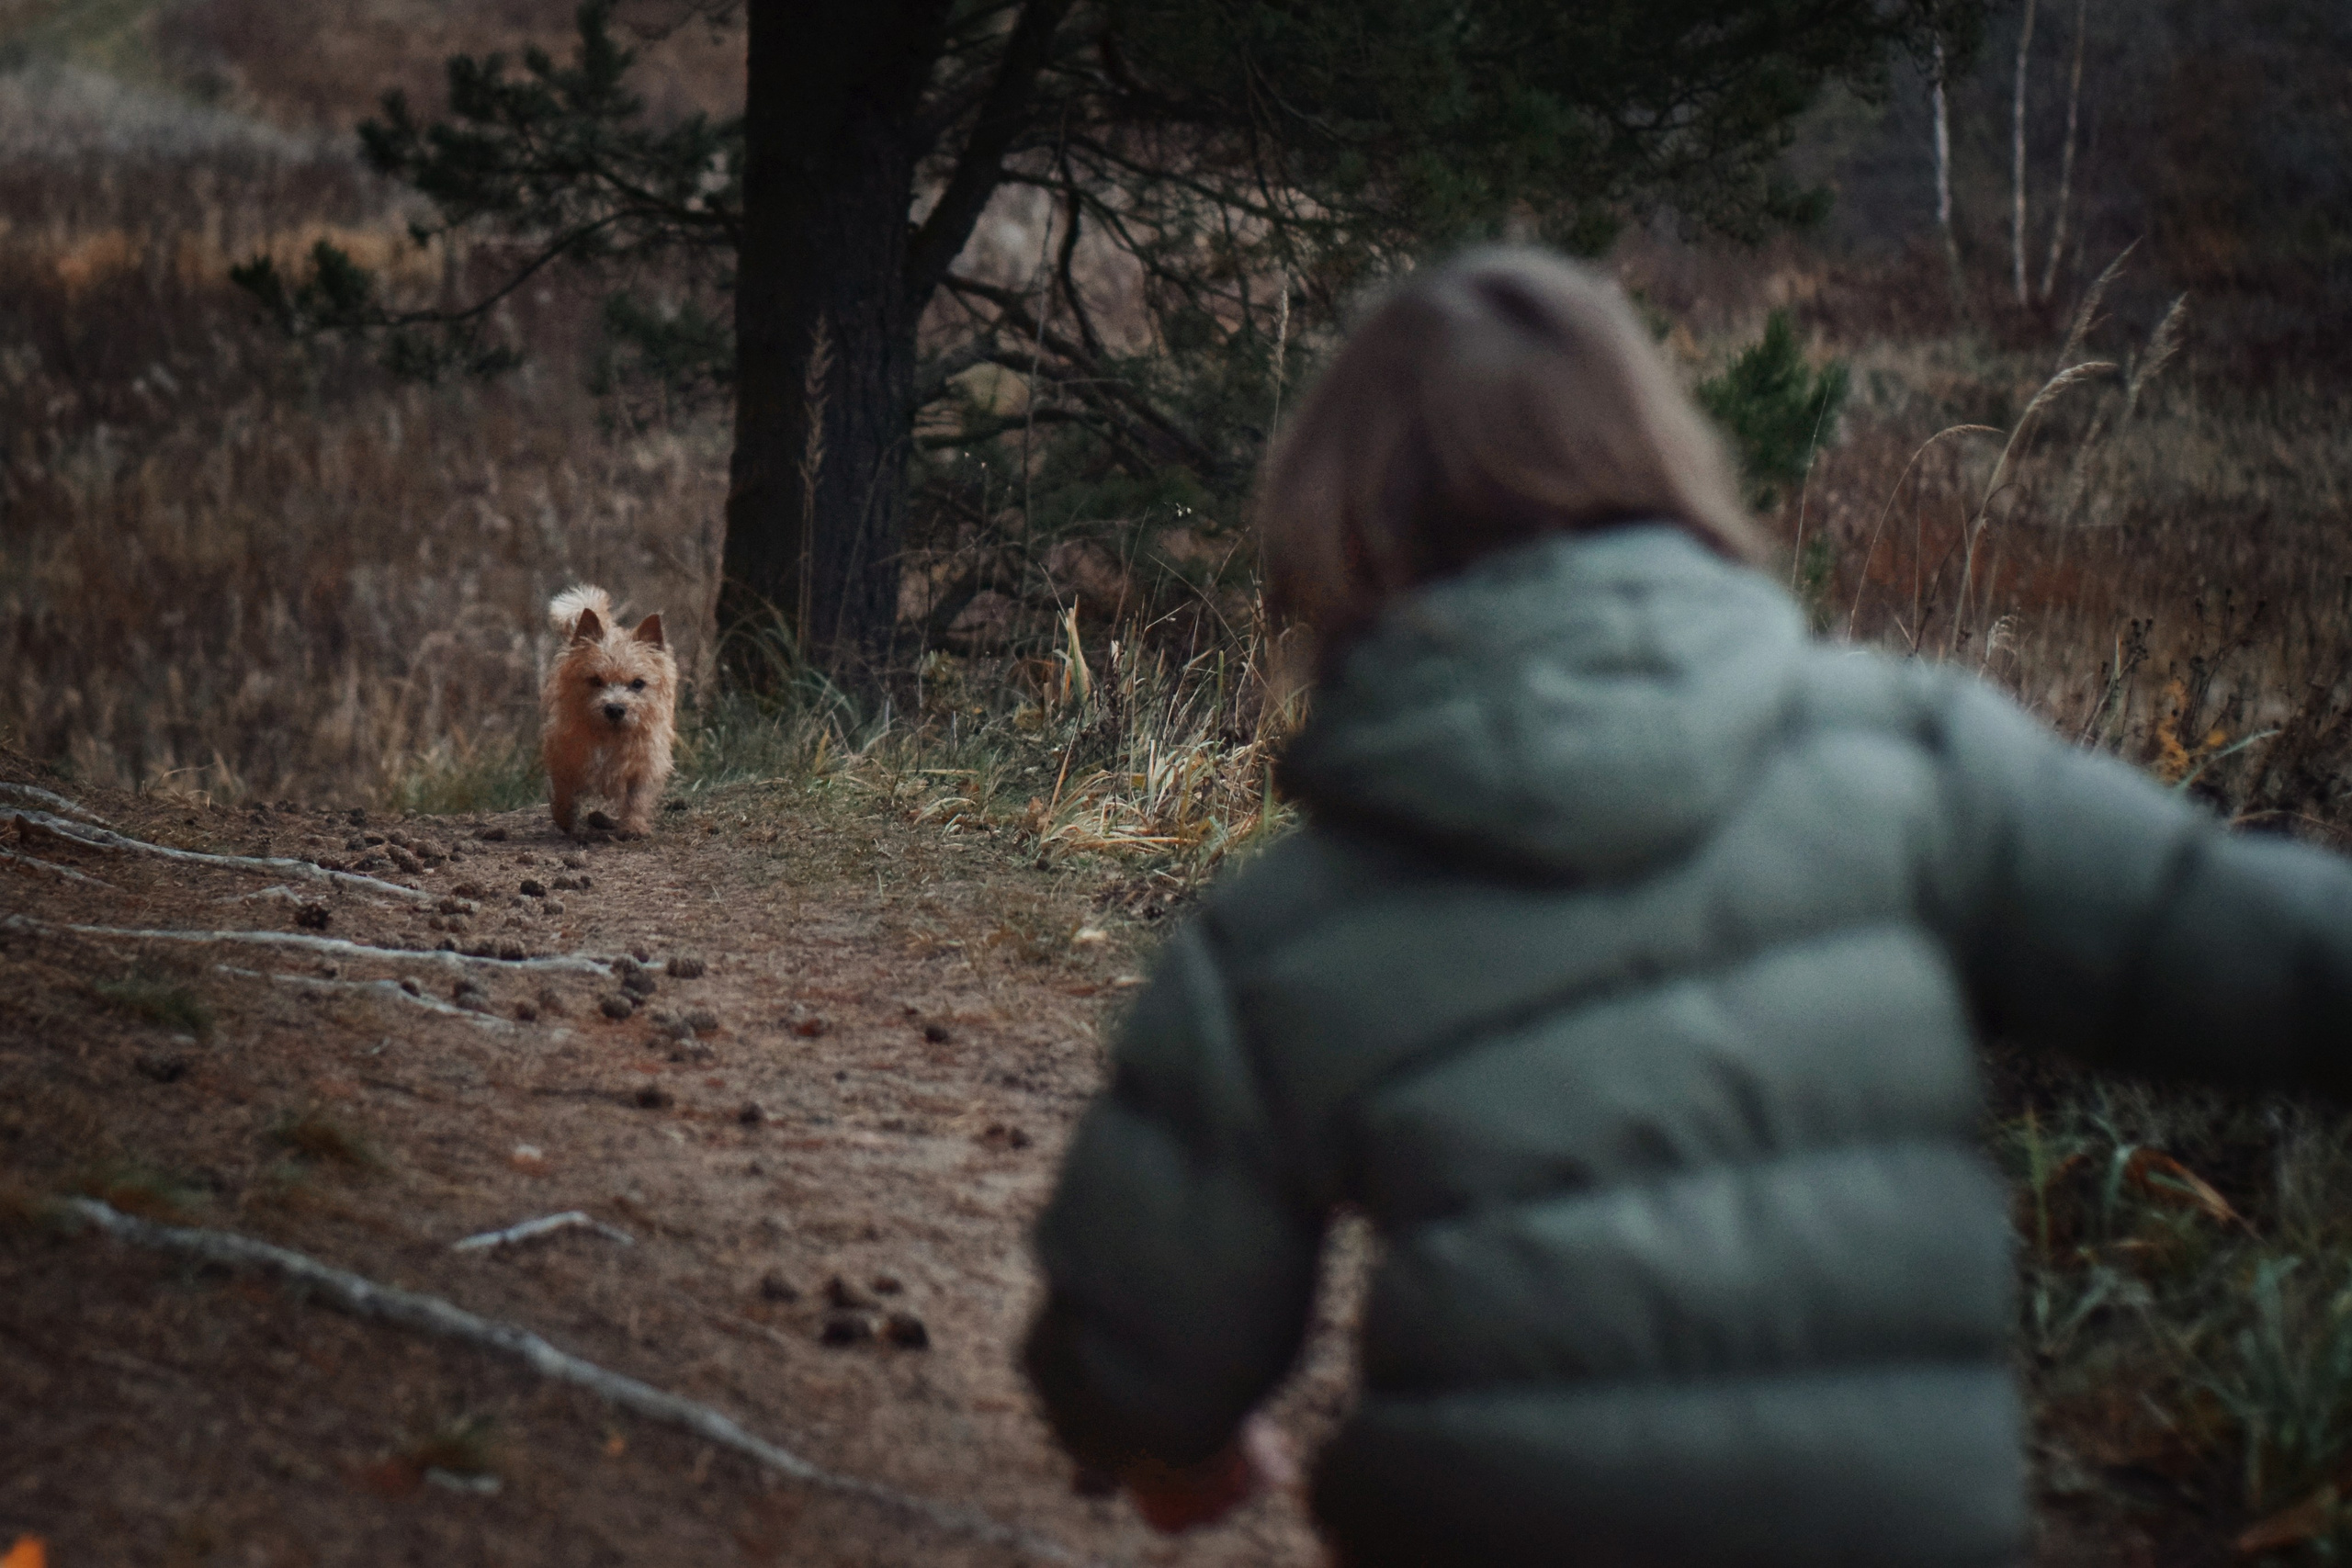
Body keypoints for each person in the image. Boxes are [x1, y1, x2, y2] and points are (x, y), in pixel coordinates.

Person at [1019, 247, 2352, 1566]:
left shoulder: (1291, 932)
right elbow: (2280, 959)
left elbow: (1143, 1346)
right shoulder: (1917, 760)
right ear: (1657, 466)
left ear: (1343, 528)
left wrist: (1172, 1453)